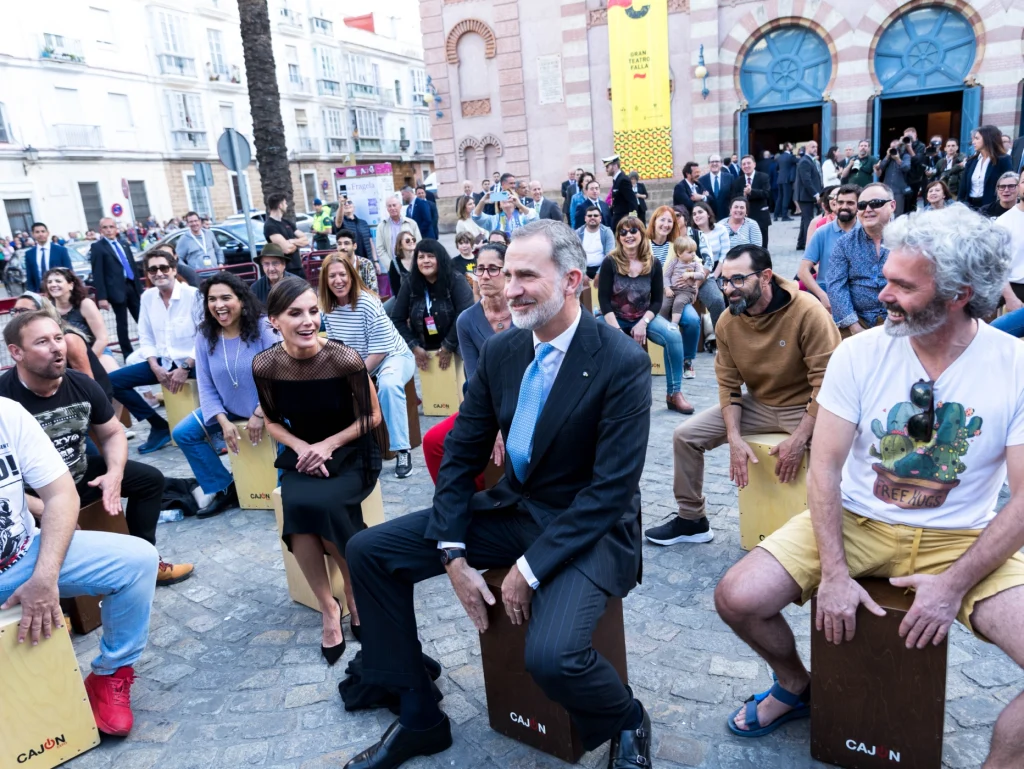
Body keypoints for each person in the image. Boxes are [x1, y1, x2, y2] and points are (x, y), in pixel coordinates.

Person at [714, 208, 1024, 768]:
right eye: (886, 278)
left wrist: (953, 586)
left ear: (960, 294)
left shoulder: (1014, 365)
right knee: (737, 598)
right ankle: (795, 685)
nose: (882, 295)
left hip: (964, 536)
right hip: (858, 520)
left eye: (903, 286)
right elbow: (826, 469)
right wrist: (834, 573)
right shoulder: (859, 352)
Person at [343, 219, 654, 769]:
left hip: (591, 529)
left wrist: (527, 570)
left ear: (572, 280)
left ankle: (627, 718)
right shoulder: (503, 351)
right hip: (517, 509)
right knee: (369, 552)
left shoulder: (621, 361)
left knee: (553, 657)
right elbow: (462, 454)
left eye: (526, 275)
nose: (510, 289)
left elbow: (610, 493)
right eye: (507, 275)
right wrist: (452, 551)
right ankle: (419, 716)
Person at [647, 243, 840, 548]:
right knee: (686, 436)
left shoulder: (807, 311)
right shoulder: (728, 321)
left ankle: (837, 531)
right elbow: (729, 385)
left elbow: (828, 383)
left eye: (738, 279)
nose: (728, 289)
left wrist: (800, 438)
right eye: (724, 280)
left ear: (765, 276)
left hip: (808, 406)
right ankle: (691, 519)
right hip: (760, 404)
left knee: (840, 456)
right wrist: (734, 438)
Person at [0, 392, 157, 737]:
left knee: (138, 562)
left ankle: (110, 675)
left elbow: (60, 494)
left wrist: (44, 577)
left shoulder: (7, 413)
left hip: (22, 554)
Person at [0, 309, 192, 587]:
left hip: (77, 474)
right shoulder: (4, 400)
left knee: (150, 480)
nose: (56, 347)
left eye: (58, 338)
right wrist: (48, 509)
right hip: (27, 494)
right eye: (42, 342)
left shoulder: (81, 383)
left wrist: (114, 473)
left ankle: (146, 562)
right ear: (16, 352)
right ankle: (51, 596)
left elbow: (112, 432)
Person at [253, 278, 382, 662]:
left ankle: (354, 595)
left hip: (352, 451)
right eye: (295, 313)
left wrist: (328, 445)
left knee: (326, 506)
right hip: (303, 453)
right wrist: (302, 447)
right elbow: (273, 422)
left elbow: (372, 416)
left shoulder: (343, 357)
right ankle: (329, 606)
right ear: (274, 320)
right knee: (297, 507)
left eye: (313, 311)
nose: (308, 321)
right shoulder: (266, 365)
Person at [174, 273, 279, 518]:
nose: (218, 305)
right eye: (212, 299)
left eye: (225, 298)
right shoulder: (205, 335)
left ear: (241, 300)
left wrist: (259, 413)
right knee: (184, 433)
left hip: (270, 405)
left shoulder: (263, 328)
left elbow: (278, 376)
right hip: (228, 408)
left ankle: (284, 488)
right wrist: (222, 421)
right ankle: (223, 487)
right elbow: (206, 384)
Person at [422, 243, 513, 488]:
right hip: (484, 404)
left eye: (493, 269)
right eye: (479, 268)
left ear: (508, 272)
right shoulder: (467, 319)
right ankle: (466, 498)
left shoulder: (522, 312)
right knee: (433, 441)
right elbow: (473, 379)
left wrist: (502, 423)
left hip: (521, 402)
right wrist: (492, 424)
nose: (484, 275)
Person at [320, 253, 417, 480]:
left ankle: (402, 450)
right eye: (332, 276)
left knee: (389, 385)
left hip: (392, 356)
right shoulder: (327, 307)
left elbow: (380, 351)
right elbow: (335, 345)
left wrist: (354, 378)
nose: (338, 280)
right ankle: (343, 449)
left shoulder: (367, 303)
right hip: (358, 363)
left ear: (352, 276)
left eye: (342, 274)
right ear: (325, 279)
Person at [599, 215, 695, 412]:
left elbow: (657, 301)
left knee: (673, 336)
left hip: (644, 316)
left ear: (642, 234)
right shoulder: (610, 262)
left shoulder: (653, 263)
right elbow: (604, 301)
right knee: (594, 337)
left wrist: (643, 323)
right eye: (623, 232)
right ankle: (604, 398)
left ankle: (674, 393)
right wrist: (617, 331)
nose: (628, 235)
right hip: (614, 318)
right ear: (618, 237)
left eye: (633, 230)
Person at [109, 250, 199, 454]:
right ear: (148, 274)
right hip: (164, 362)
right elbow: (146, 336)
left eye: (164, 268)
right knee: (112, 381)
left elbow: (203, 337)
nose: (158, 273)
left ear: (174, 270)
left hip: (194, 361)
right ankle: (159, 426)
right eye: (152, 269)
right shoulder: (148, 297)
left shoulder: (192, 294)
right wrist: (154, 366)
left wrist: (185, 367)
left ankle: (214, 431)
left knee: (214, 378)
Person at [392, 240, 474, 374]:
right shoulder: (410, 283)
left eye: (431, 256)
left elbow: (465, 314)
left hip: (457, 342)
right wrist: (414, 346)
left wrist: (448, 345)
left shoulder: (455, 280)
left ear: (440, 259)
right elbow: (396, 319)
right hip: (423, 346)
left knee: (468, 366)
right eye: (421, 257)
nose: (426, 261)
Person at [825, 183, 895, 337]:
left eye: (875, 203)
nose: (867, 209)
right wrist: (854, 327)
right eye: (862, 205)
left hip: (900, 317)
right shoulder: (845, 243)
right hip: (857, 320)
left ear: (892, 206)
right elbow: (836, 286)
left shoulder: (908, 240)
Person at [12, 293, 111, 398]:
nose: (16, 315)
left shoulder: (69, 339)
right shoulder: (26, 340)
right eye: (15, 311)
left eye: (23, 311)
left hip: (89, 396)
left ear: (41, 312)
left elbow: (87, 381)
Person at [798, 184, 860, 312]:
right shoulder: (822, 232)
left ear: (858, 206)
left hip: (857, 295)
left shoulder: (865, 232)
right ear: (835, 204)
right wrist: (821, 295)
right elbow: (803, 271)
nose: (844, 206)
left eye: (850, 203)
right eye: (840, 202)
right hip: (826, 291)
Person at [90, 217, 144, 356]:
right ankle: (127, 353)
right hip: (116, 290)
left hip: (131, 286)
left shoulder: (124, 244)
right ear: (101, 230)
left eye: (111, 227)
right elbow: (98, 273)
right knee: (122, 323)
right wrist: (102, 297)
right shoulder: (98, 247)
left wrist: (140, 289)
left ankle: (147, 347)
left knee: (142, 319)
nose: (109, 230)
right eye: (105, 227)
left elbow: (132, 266)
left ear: (116, 228)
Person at [42, 267, 111, 362]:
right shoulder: (47, 308)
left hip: (95, 352)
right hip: (65, 359)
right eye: (49, 282)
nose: (53, 285)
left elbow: (102, 339)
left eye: (58, 281)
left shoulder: (86, 304)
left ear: (71, 285)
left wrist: (87, 362)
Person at [993, 174, 1024, 333]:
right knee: (995, 331)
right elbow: (996, 265)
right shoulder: (1003, 222)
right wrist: (1010, 298)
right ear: (1019, 187)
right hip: (1014, 287)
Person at [959, 125, 1013, 209]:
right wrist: (959, 205)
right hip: (969, 207)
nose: (973, 142)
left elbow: (1009, 185)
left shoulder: (1003, 160)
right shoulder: (971, 161)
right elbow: (963, 187)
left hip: (992, 207)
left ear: (987, 139)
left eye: (977, 138)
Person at [729, 155, 772, 249]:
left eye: (749, 163)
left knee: (762, 247)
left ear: (754, 164)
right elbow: (733, 197)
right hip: (743, 219)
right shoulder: (737, 181)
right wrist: (744, 194)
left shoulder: (763, 177)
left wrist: (751, 192)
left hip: (760, 217)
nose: (746, 166)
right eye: (744, 164)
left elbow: (767, 193)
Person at [661, 236, 703, 328]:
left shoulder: (695, 263)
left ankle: (674, 324)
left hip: (686, 291)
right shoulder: (674, 262)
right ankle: (663, 325)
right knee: (664, 306)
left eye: (694, 251)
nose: (693, 254)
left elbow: (701, 275)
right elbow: (666, 276)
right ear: (679, 253)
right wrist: (667, 288)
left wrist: (691, 274)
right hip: (672, 290)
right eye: (690, 252)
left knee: (679, 302)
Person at [263, 193, 309, 276]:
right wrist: (298, 243)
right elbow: (287, 249)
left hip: (299, 267)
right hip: (286, 270)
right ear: (280, 205)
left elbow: (306, 240)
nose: (287, 205)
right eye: (285, 203)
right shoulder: (270, 225)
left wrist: (291, 241)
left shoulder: (287, 222)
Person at [375, 196, 422, 274]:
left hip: (411, 266)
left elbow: (419, 244)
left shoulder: (411, 223)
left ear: (400, 206)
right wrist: (391, 266)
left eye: (394, 205)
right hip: (393, 267)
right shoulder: (382, 226)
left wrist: (415, 262)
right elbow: (380, 248)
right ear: (387, 208)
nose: (392, 208)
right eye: (389, 206)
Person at [25, 222, 72, 293]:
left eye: (43, 231)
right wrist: (32, 293)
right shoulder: (29, 254)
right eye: (37, 232)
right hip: (40, 292)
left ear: (48, 233)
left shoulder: (60, 250)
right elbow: (30, 276)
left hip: (59, 290)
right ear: (33, 234)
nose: (40, 234)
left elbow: (69, 271)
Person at [472, 187, 539, 236]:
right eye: (503, 197)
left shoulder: (523, 217)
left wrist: (520, 205)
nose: (506, 199)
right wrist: (482, 201)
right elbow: (476, 217)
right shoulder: (494, 220)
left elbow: (535, 219)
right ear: (499, 205)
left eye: (509, 196)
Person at [795, 140, 823, 250]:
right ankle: (809, 245)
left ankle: (801, 243)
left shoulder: (811, 160)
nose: (815, 149)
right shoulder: (805, 161)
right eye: (812, 147)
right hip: (805, 196)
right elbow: (806, 180)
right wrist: (815, 194)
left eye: (816, 147)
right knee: (808, 221)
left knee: (805, 220)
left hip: (807, 196)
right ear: (807, 148)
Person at [334, 198, 378, 266]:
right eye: (345, 203)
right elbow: (338, 221)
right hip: (350, 263)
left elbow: (370, 242)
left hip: (367, 263)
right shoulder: (341, 223)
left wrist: (375, 261)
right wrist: (341, 204)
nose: (347, 204)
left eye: (349, 202)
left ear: (354, 207)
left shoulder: (363, 223)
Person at [602, 154, 640, 231]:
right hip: (618, 219)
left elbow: (632, 201)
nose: (606, 170)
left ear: (615, 166)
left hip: (623, 220)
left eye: (607, 167)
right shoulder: (617, 179)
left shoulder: (623, 180)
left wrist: (632, 219)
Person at [576, 204, 615, 278]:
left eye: (596, 215)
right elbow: (574, 255)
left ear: (600, 218)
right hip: (582, 270)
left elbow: (610, 255)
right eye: (589, 216)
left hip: (603, 269)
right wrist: (582, 273)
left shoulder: (607, 232)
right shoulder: (577, 233)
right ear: (585, 218)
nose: (592, 217)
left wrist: (600, 273)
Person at [876, 139, 912, 216]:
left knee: (898, 213)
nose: (894, 149)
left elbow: (906, 168)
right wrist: (887, 156)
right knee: (885, 212)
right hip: (887, 190)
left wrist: (897, 159)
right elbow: (880, 167)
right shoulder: (888, 158)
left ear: (900, 147)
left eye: (896, 147)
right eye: (892, 148)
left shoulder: (905, 156)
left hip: (899, 190)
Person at [335, 229, 378, 293]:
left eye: (346, 243)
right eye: (339, 244)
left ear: (354, 246)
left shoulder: (366, 264)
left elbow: (373, 291)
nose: (342, 247)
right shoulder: (333, 265)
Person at [387, 230, 419, 308]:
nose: (411, 241)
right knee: (384, 309)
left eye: (413, 239)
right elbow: (396, 289)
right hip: (403, 299)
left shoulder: (420, 258)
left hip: (421, 298)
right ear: (400, 245)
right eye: (407, 240)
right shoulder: (395, 263)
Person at [901, 127, 928, 213]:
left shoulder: (921, 146)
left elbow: (917, 161)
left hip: (915, 178)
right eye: (906, 136)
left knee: (912, 204)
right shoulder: (903, 145)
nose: (908, 138)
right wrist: (899, 144)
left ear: (915, 135)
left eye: (910, 136)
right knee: (902, 204)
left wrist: (909, 147)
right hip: (903, 178)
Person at [700, 155, 734, 222]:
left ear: (721, 164)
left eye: (717, 161)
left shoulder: (729, 177)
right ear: (709, 164)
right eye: (712, 162)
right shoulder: (702, 180)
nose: (714, 163)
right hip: (709, 218)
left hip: (726, 217)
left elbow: (733, 196)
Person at [774, 144, 797, 221]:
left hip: (780, 179)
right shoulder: (790, 156)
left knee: (780, 197)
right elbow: (799, 161)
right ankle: (784, 216)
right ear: (787, 147)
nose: (792, 146)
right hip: (787, 179)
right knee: (786, 198)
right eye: (791, 145)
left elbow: (777, 168)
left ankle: (775, 215)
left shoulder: (780, 157)